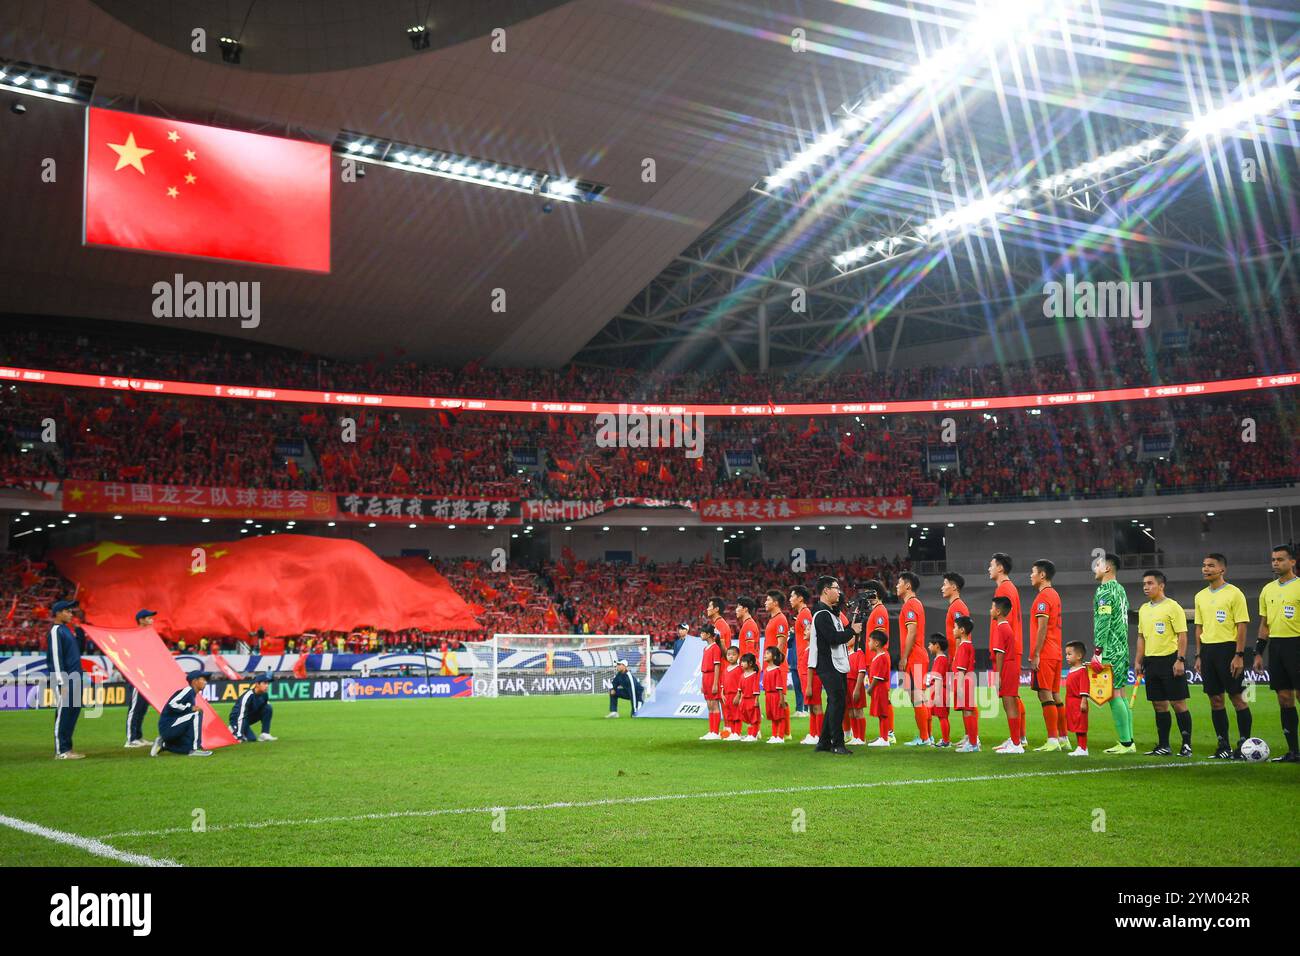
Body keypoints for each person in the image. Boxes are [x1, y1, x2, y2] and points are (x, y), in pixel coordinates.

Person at [1192, 552, 1252, 759]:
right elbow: (1198, 627)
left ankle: (1244, 745)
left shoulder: (1235, 593)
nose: (1205, 568)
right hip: (1208, 651)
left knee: (1238, 698)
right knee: (1215, 700)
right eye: (1204, 565)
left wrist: (1239, 654)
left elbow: (1242, 625)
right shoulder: (1200, 596)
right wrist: (1199, 655)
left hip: (1229, 650)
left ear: (1222, 570)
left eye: (1210, 565)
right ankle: (1223, 746)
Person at [1135, 570, 1192, 756]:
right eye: (1144, 584)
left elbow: (1182, 635)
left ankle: (1186, 745)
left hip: (1170, 660)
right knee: (1158, 705)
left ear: (1161, 586)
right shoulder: (1143, 609)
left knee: (1178, 703)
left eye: (1150, 583)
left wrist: (1180, 660)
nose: (1146, 587)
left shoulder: (1173, 607)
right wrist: (1138, 660)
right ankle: (1163, 745)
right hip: (1151, 662)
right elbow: (1141, 637)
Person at [1254, 543, 1299, 762]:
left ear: (1292, 562)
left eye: (1280, 559)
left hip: (1297, 645)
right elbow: (1264, 624)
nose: (1275, 563)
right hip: (1278, 647)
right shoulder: (1267, 590)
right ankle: (1293, 751)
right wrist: (1259, 652)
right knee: (1284, 698)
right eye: (1273, 560)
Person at [1092, 552, 1136, 755]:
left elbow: (1104, 621)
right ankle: (1129, 740)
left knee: (1112, 694)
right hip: (1122, 647)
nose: (1095, 568)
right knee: (1122, 694)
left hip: (1110, 649)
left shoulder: (1104, 590)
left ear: (1107, 568)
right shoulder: (1120, 589)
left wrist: (1098, 651)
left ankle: (1125, 743)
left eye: (1098, 564)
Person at [810, 575, 857, 755]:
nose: (839, 591)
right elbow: (833, 639)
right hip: (828, 663)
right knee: (837, 702)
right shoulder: (822, 615)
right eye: (836, 588)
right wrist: (852, 631)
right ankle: (837, 743)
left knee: (834, 702)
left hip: (833, 663)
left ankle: (823, 742)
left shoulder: (830, 613)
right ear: (825, 591)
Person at [1028, 560, 1068, 752]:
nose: (1031, 575)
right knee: (1055, 694)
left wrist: (1036, 653)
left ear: (1042, 575)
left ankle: (1052, 739)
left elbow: (1042, 627)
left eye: (1033, 572)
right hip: (1056, 651)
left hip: (1046, 652)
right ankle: (1063, 738)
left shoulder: (1043, 597)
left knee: (1045, 694)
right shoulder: (1055, 595)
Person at [989, 553, 1026, 747]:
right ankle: (1018, 738)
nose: (989, 568)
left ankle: (1017, 739)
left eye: (991, 565)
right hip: (1009, 651)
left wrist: (999, 651)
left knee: (1009, 697)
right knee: (1010, 696)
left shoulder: (1005, 589)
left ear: (1000, 568)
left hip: (1007, 653)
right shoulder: (1007, 588)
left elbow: (1005, 624)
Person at [896, 571, 932, 746]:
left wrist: (903, 657)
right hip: (917, 656)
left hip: (914, 657)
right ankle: (926, 736)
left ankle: (925, 737)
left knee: (917, 697)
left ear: (907, 586)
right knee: (918, 697)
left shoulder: (910, 605)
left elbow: (912, 631)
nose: (896, 586)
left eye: (899, 583)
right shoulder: (913, 604)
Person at [46, 599, 85, 760]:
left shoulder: (66, 630)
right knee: (64, 713)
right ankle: (61, 751)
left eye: (71, 611)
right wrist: (61, 682)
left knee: (72, 712)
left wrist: (81, 635)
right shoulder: (56, 631)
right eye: (67, 611)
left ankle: (67, 748)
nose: (70, 614)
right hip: (65, 679)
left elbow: (77, 652)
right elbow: (56, 657)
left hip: (75, 677)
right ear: (58, 613)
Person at [151, 671, 213, 757]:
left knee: (185, 748)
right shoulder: (188, 690)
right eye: (203, 679)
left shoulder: (192, 694)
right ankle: (194, 749)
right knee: (196, 713)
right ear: (195, 681)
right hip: (168, 726)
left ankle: (164, 744)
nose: (205, 682)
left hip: (174, 728)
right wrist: (190, 708)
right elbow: (172, 703)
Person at [990, 595, 1023, 754]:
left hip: (1007, 668)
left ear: (997, 611)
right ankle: (1015, 740)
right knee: (1011, 704)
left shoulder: (1000, 628)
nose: (990, 611)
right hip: (1012, 666)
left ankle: (1016, 744)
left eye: (992, 608)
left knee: (1009, 704)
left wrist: (998, 677)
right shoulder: (1006, 627)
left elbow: (999, 654)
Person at [122, 608, 158, 748]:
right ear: (141, 620)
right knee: (135, 708)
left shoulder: (148, 634)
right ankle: (131, 739)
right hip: (138, 677)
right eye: (149, 618)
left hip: (147, 677)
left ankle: (138, 736)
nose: (152, 620)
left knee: (142, 708)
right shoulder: (134, 635)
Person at [790, 586, 820, 744]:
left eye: (792, 596)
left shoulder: (805, 614)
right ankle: (814, 733)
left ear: (800, 598)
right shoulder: (801, 615)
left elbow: (812, 634)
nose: (790, 599)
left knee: (814, 701)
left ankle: (818, 734)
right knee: (811, 701)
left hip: (807, 660)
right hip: (803, 660)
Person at [952, 616, 980, 752]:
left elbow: (961, 670)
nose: (953, 630)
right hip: (967, 682)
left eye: (955, 627)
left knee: (968, 712)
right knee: (967, 711)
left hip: (964, 683)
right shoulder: (967, 645)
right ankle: (971, 741)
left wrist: (958, 688)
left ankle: (973, 744)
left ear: (962, 630)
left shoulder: (963, 647)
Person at [762, 591, 790, 715]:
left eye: (768, 600)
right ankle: (779, 732)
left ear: (775, 603)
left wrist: (774, 663)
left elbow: (781, 644)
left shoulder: (780, 619)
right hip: (770, 665)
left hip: (777, 665)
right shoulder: (773, 619)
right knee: (772, 698)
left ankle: (786, 732)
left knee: (781, 699)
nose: (765, 602)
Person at [1064, 641, 1092, 756]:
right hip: (1071, 703)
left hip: (1078, 702)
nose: (1067, 657)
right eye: (1066, 654)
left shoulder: (1082, 671)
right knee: (1075, 725)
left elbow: (1084, 687)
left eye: (1069, 654)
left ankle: (1083, 748)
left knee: (1081, 726)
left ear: (1079, 656)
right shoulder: (1071, 670)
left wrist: (1084, 701)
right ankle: (1080, 747)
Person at [866, 629, 893, 746]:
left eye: (869, 641)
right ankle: (882, 736)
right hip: (879, 689)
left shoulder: (882, 657)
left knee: (883, 714)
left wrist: (870, 688)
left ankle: (884, 739)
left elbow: (878, 677)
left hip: (880, 689)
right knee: (881, 714)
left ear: (876, 643)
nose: (868, 643)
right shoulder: (879, 656)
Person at [699, 621, 725, 740]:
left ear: (709, 634)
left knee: (714, 705)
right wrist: (702, 683)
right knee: (709, 705)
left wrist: (715, 683)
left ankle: (715, 732)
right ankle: (711, 731)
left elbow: (717, 666)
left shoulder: (715, 648)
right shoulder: (705, 648)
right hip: (705, 677)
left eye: (702, 633)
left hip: (712, 677)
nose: (701, 635)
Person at [230, 674, 278, 738]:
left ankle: (265, 734)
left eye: (268, 683)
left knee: (268, 708)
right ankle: (233, 728)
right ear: (257, 684)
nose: (267, 686)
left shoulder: (265, 695)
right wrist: (239, 734)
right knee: (251, 739)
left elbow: (264, 711)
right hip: (237, 718)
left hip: (248, 717)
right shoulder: (248, 696)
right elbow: (241, 715)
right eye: (264, 683)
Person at [926, 634, 951, 747]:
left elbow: (938, 678)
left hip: (940, 692)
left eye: (930, 644)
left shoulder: (940, 660)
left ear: (937, 646)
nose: (928, 646)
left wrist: (936, 696)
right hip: (943, 691)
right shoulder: (942, 659)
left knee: (942, 717)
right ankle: (946, 740)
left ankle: (946, 742)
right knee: (943, 716)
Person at [845, 631, 868, 745]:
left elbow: (861, 672)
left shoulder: (859, 653)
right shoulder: (846, 654)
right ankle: (855, 736)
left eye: (851, 637)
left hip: (855, 685)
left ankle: (861, 738)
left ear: (857, 639)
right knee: (851, 712)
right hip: (847, 685)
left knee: (858, 711)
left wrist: (857, 689)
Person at [763, 646, 788, 743]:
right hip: (768, 696)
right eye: (765, 653)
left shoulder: (777, 670)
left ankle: (780, 736)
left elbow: (779, 687)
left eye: (768, 653)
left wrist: (781, 699)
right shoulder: (766, 670)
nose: (765, 655)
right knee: (773, 716)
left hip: (776, 696)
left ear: (774, 657)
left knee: (780, 716)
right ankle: (774, 735)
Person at [722, 644, 744, 739]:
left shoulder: (739, 669)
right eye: (729, 654)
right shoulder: (725, 669)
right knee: (729, 715)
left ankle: (737, 733)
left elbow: (742, 684)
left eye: (733, 654)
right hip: (727, 696)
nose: (731, 656)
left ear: (738, 656)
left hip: (735, 695)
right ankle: (732, 732)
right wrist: (722, 693)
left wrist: (739, 696)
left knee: (737, 715)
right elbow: (723, 683)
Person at [739, 653, 762, 742]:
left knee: (754, 719)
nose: (741, 663)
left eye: (744, 662)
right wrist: (740, 698)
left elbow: (756, 689)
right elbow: (740, 688)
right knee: (748, 718)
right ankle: (750, 734)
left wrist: (756, 700)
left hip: (752, 700)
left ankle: (754, 735)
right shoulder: (742, 675)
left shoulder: (754, 676)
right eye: (741, 661)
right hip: (744, 700)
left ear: (751, 663)